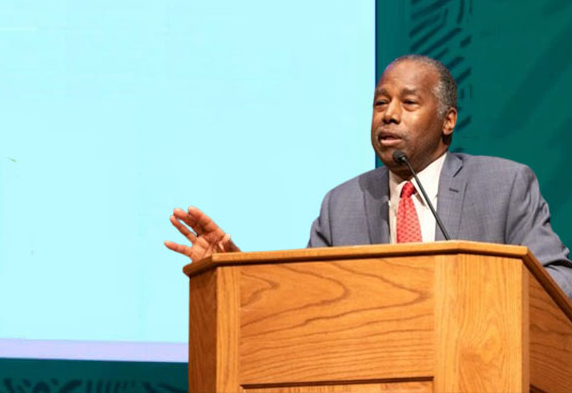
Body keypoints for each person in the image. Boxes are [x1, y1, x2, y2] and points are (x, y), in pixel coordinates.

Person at [165, 54, 572, 297]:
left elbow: (559, 285)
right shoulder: (342, 204)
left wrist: (481, 294)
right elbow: (302, 297)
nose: (389, 114)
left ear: (448, 120)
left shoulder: (503, 187)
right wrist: (230, 267)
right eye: (380, 102)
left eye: (408, 103)